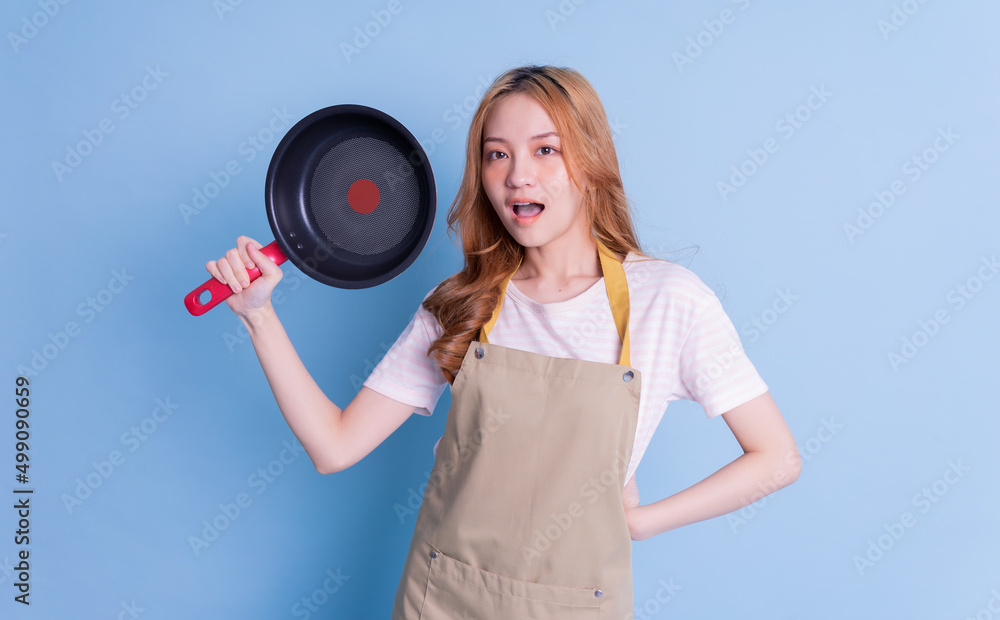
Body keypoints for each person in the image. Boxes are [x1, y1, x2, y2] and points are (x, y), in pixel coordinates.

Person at [205, 65, 801, 619]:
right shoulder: (465, 301)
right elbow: (334, 447)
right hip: (440, 598)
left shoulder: (669, 300)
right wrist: (260, 318)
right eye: (497, 155)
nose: (518, 175)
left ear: (591, 162)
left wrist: (643, 521)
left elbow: (776, 458)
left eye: (546, 150)